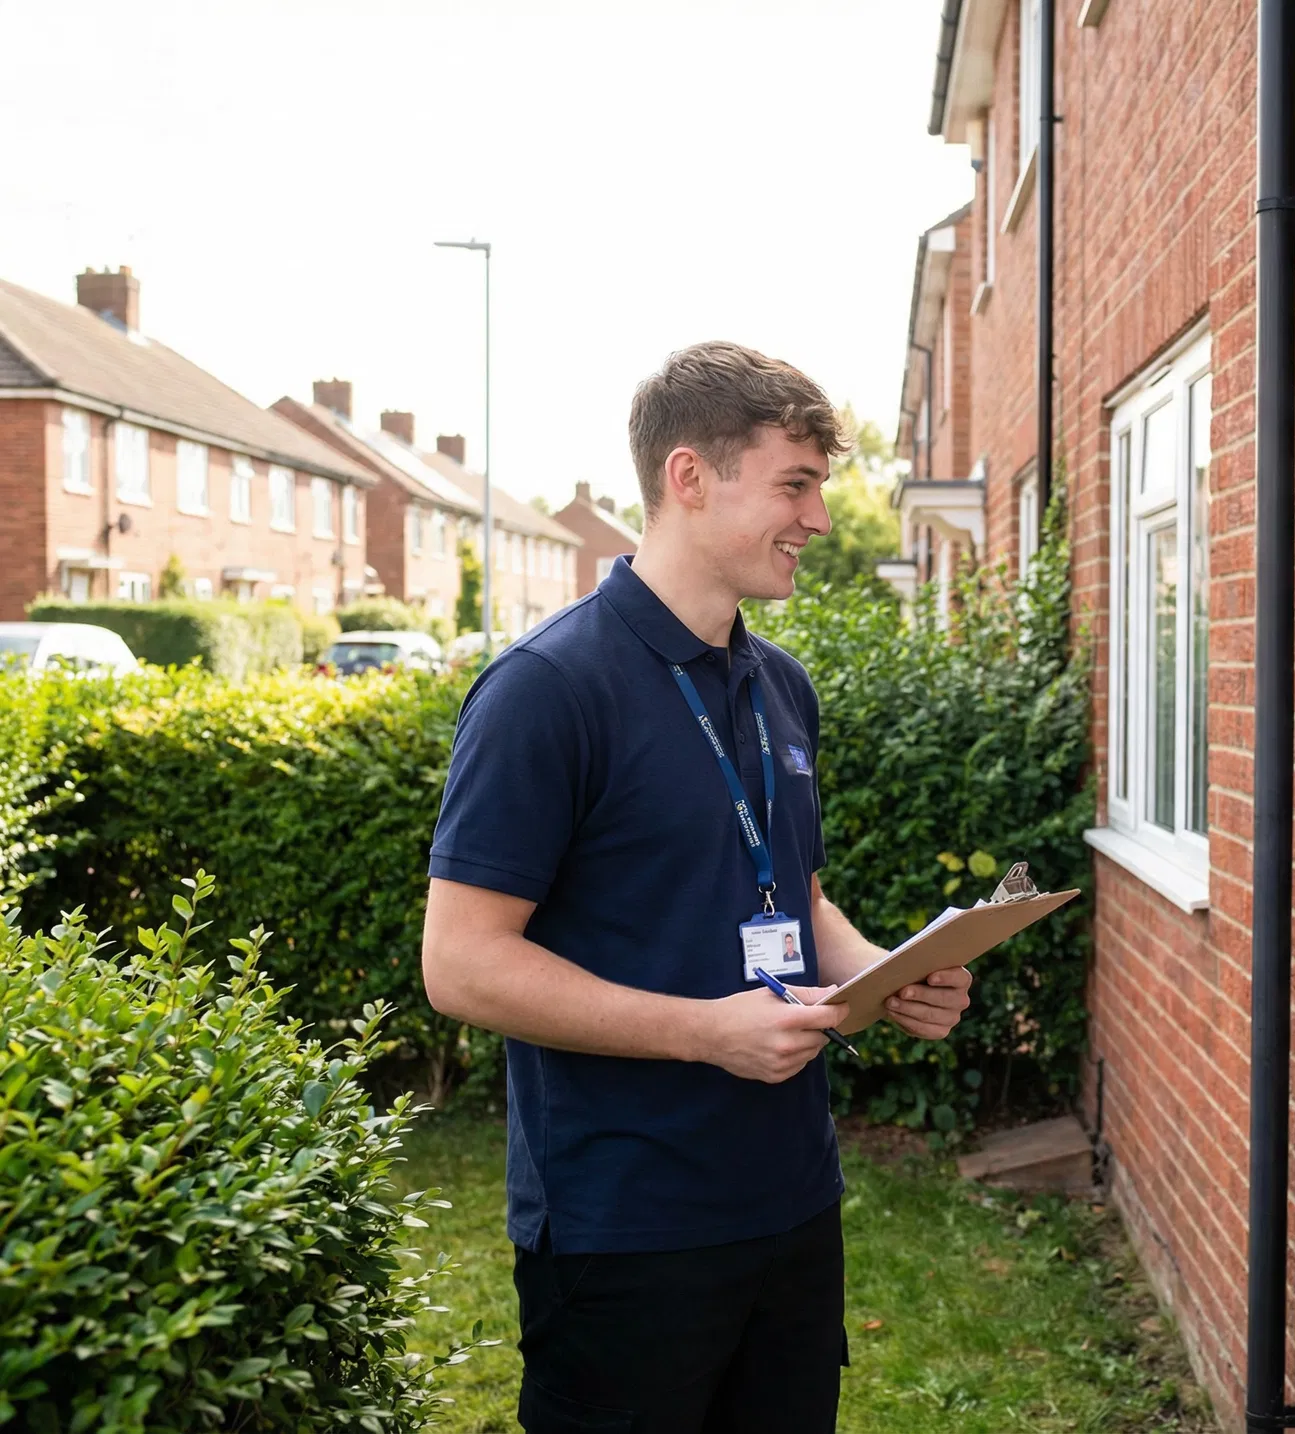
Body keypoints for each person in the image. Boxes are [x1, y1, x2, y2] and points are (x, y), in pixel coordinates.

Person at [420, 341, 974, 1433]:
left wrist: (886, 974)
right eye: (795, 484)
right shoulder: (545, 690)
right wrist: (700, 1033)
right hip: (625, 1226)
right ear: (689, 478)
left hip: (791, 1203)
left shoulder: (781, 686)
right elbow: (462, 963)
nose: (818, 518)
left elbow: (796, 897)